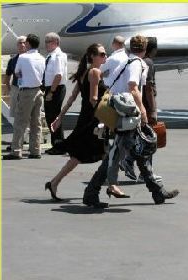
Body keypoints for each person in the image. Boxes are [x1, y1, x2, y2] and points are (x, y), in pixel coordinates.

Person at [83, 36, 179, 207]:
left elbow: (101, 75)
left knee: (138, 152)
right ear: (145, 48)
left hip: (121, 112)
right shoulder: (137, 64)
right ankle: (91, 193)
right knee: (115, 156)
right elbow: (133, 87)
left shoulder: (123, 60)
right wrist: (143, 111)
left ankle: (157, 192)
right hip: (127, 114)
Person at [45, 43, 109, 208]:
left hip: (85, 119)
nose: (105, 56)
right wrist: (109, 109)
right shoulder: (94, 72)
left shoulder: (84, 73)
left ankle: (54, 182)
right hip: (94, 120)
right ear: (93, 56)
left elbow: (73, 97)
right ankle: (108, 187)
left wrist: (60, 117)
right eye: (102, 54)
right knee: (106, 154)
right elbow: (93, 99)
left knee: (80, 156)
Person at [119, 37, 162, 183]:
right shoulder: (147, 63)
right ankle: (134, 165)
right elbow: (148, 88)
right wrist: (152, 110)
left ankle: (132, 164)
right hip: (144, 106)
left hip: (135, 105)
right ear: (152, 49)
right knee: (149, 140)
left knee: (138, 138)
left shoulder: (132, 61)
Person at [3, 34, 45, 160]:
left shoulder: (23, 57)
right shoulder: (42, 58)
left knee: (20, 122)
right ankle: (35, 150)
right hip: (38, 91)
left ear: (28, 44)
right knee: (36, 123)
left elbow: (17, 72)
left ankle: (16, 151)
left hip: (26, 92)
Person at [43, 32, 67, 155]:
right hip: (51, 87)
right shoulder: (51, 55)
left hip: (56, 88)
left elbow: (58, 75)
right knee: (50, 117)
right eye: (46, 41)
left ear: (56, 42)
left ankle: (59, 145)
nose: (46, 44)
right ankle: (56, 144)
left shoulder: (58, 56)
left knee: (54, 116)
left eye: (49, 41)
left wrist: (51, 92)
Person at [4, 36, 26, 118]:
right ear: (17, 45)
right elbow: (7, 76)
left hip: (29, 89)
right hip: (16, 88)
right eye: (20, 43)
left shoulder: (33, 59)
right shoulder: (13, 60)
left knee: (28, 113)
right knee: (15, 114)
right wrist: (10, 90)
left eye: (24, 43)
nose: (22, 45)